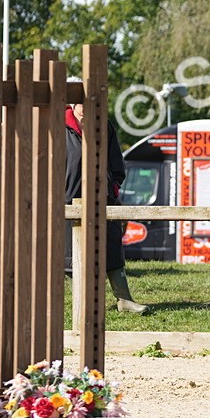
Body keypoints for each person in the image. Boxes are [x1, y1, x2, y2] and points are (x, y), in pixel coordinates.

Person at [65, 97, 149, 314]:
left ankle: (124, 300)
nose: (86, 107)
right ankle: (82, 304)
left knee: (111, 249)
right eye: (81, 102)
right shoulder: (58, 126)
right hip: (66, 200)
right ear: (73, 105)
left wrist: (112, 188)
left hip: (102, 199)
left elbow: (116, 162)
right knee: (68, 255)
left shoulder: (105, 126)